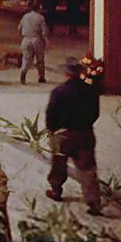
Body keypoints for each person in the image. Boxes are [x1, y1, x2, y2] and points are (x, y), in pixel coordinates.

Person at [44, 57, 103, 215]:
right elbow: (95, 113)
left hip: (63, 134)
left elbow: (51, 114)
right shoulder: (91, 91)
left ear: (66, 74)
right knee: (87, 168)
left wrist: (51, 130)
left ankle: (56, 190)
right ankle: (93, 201)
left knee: (58, 163)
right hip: (85, 132)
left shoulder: (58, 92)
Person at [18, 2, 49, 84]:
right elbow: (44, 32)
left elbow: (19, 28)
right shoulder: (41, 18)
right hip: (37, 39)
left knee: (26, 58)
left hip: (26, 38)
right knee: (40, 59)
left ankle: (23, 71)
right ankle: (41, 77)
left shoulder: (25, 16)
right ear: (39, 8)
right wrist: (47, 41)